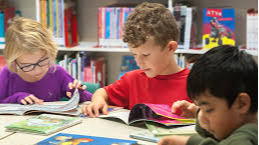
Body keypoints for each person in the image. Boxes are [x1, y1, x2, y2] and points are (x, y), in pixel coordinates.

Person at [82, 2, 192, 117]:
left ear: (170, 48)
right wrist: (97, 101)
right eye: (134, 54)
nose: (139, 62)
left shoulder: (194, 84)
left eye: (145, 55)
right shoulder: (132, 79)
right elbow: (102, 92)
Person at [159, 45, 258, 145]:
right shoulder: (233, 126)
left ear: (242, 104)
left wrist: (188, 142)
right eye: (200, 108)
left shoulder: (245, 137)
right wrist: (197, 112)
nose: (202, 118)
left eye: (208, 110)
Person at [0, 17, 92, 105]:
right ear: (14, 61)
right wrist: (16, 98)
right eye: (27, 66)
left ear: (50, 51)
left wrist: (77, 94)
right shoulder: (8, 74)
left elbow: (91, 99)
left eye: (42, 61)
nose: (37, 70)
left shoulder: (57, 73)